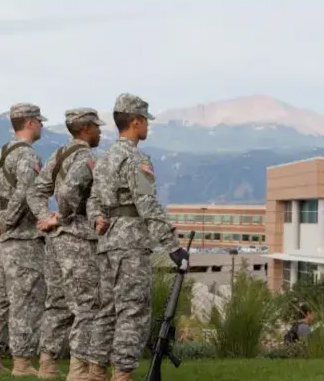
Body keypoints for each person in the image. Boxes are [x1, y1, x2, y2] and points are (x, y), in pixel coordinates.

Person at [85, 93, 190, 381]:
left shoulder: (104, 160)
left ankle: (96, 371)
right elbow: (146, 204)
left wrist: (98, 220)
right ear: (135, 121)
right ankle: (123, 374)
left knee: (106, 310)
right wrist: (172, 245)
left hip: (107, 243)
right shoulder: (136, 159)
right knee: (133, 310)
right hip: (130, 243)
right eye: (145, 121)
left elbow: (93, 201)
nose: (148, 127)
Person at [26, 107, 104, 380]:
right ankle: (80, 369)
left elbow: (36, 191)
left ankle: (47, 366)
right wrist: (62, 217)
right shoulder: (85, 157)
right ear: (85, 129)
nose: (100, 132)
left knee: (57, 303)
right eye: (97, 127)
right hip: (77, 237)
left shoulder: (59, 155)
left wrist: (46, 217)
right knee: (87, 305)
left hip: (55, 242)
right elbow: (70, 192)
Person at [0, 102, 48, 376]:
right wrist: (6, 221)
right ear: (30, 123)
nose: (42, 125)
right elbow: (25, 193)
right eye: (40, 121)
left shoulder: (0, 154)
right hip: (20, 240)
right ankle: (21, 363)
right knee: (25, 299)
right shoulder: (28, 156)